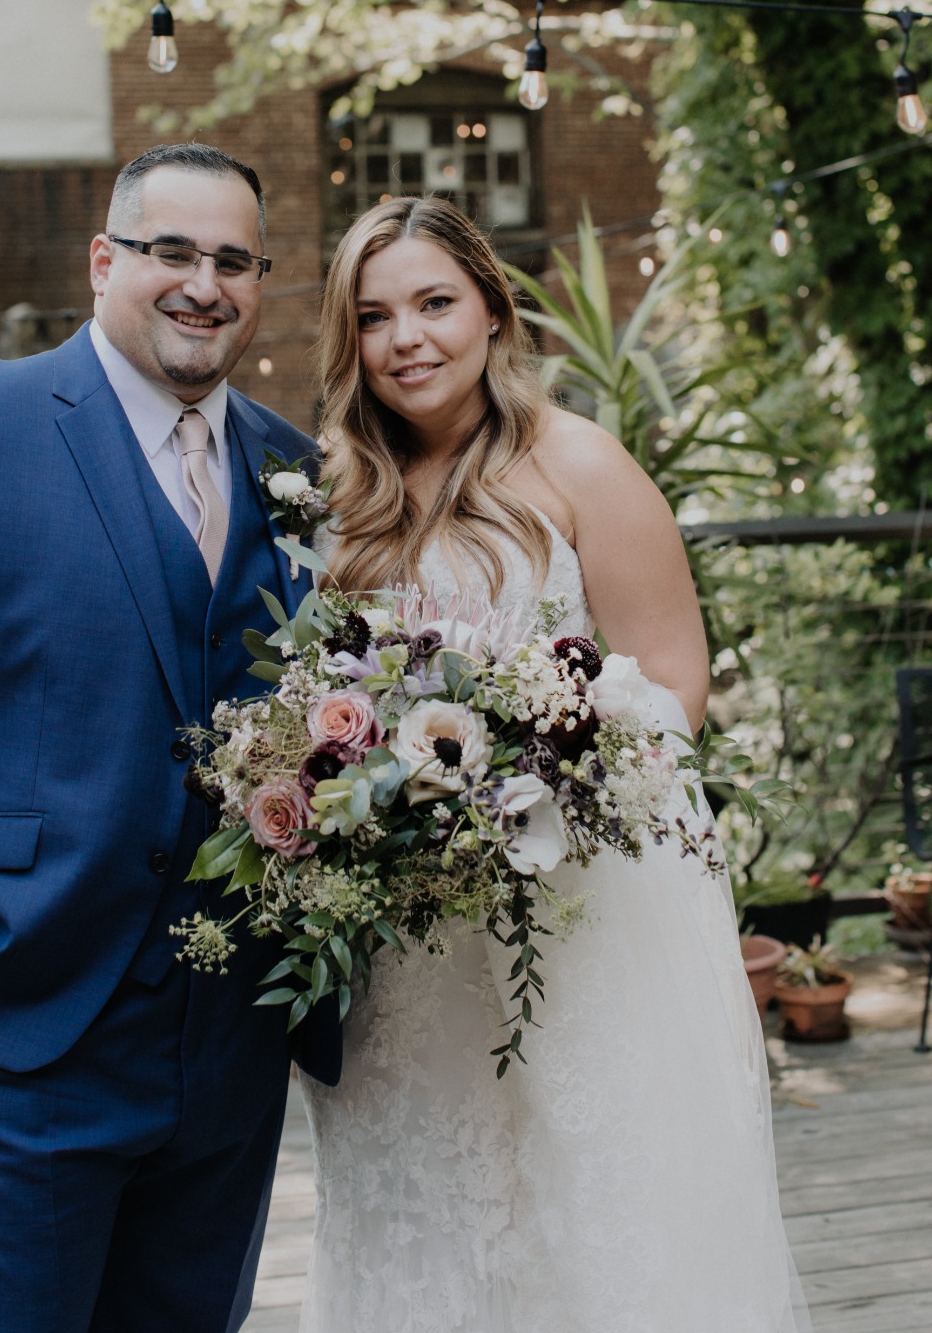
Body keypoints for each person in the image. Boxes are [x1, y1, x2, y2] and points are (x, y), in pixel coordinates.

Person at [0, 142, 339, 1333]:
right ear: (105, 261)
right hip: (10, 1012)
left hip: (226, 1032)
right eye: (172, 251)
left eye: (235, 262)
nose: (205, 283)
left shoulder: (295, 470)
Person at [299, 195, 810, 1333]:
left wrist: (537, 773)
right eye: (375, 317)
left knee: (585, 1201)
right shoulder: (338, 495)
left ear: (491, 307)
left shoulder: (580, 462)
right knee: (421, 1204)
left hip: (570, 908)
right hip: (405, 941)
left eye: (435, 303)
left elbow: (672, 681)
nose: (407, 340)